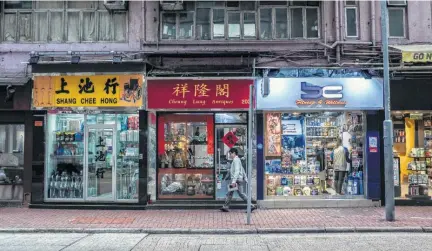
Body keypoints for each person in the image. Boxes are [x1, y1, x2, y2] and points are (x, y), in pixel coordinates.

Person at [220, 148, 257, 212]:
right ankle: (225, 206)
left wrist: (234, 181)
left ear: (234, 153)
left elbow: (237, 171)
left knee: (240, 194)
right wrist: (245, 178)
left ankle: (251, 205)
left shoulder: (236, 160)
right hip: (237, 180)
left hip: (236, 180)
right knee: (230, 193)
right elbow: (242, 169)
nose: (230, 155)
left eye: (230, 154)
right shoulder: (237, 160)